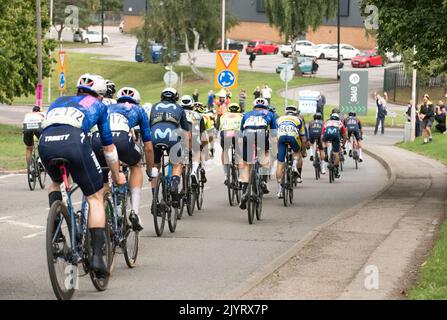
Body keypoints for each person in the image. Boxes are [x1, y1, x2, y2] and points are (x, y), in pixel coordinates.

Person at [39, 73, 126, 278]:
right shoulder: (98, 105)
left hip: (46, 143)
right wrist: (117, 174)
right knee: (95, 197)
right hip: (74, 141)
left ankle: (57, 232)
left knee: (56, 183)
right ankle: (97, 257)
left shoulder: (59, 101)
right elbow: (108, 147)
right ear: (101, 95)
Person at [91, 87, 155, 232]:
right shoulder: (138, 110)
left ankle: (104, 215)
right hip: (121, 139)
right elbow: (149, 147)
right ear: (137, 102)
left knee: (104, 179)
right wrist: (150, 171)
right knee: (136, 165)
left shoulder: (108, 106)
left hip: (98, 140)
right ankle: (135, 212)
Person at [150, 88, 190, 208]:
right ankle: (174, 186)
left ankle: (154, 200)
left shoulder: (154, 106)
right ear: (175, 98)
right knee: (177, 163)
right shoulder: (179, 108)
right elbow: (185, 132)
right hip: (172, 137)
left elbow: (148, 125)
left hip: (154, 136)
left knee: (155, 167)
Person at [239, 98, 277, 210]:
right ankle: (264, 181)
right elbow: (274, 133)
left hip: (247, 134)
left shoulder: (247, 114)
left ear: (254, 106)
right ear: (266, 106)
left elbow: (241, 132)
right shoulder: (270, 114)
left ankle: (245, 191)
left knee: (246, 165)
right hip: (261, 134)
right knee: (266, 154)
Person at [275, 105, 307, 198]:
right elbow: (303, 138)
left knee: (280, 163)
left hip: (281, 138)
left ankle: (280, 190)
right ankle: (294, 165)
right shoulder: (299, 120)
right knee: (297, 153)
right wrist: (303, 151)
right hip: (293, 137)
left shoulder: (279, 119)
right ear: (295, 113)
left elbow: (276, 135)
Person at [180, 95, 208, 185]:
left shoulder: (178, 113)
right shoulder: (198, 115)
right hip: (194, 136)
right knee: (197, 151)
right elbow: (203, 134)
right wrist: (203, 146)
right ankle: (194, 171)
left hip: (180, 137)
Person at [219, 102, 243, 186]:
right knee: (239, 153)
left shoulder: (223, 116)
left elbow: (220, 127)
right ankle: (240, 176)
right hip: (236, 133)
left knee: (224, 151)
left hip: (225, 133)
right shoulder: (241, 116)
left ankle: (226, 175)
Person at [322, 112, 347, 179]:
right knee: (336, 154)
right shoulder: (340, 123)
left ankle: (325, 152)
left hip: (327, 135)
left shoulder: (326, 122)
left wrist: (322, 144)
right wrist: (343, 145)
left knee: (323, 142)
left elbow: (322, 134)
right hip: (336, 137)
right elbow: (345, 136)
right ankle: (336, 170)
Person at [23, 105, 45, 176]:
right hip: (38, 126)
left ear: (32, 111)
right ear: (39, 111)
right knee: (42, 145)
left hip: (27, 127)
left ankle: (30, 168)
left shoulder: (27, 114)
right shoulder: (42, 114)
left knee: (29, 148)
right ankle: (40, 162)